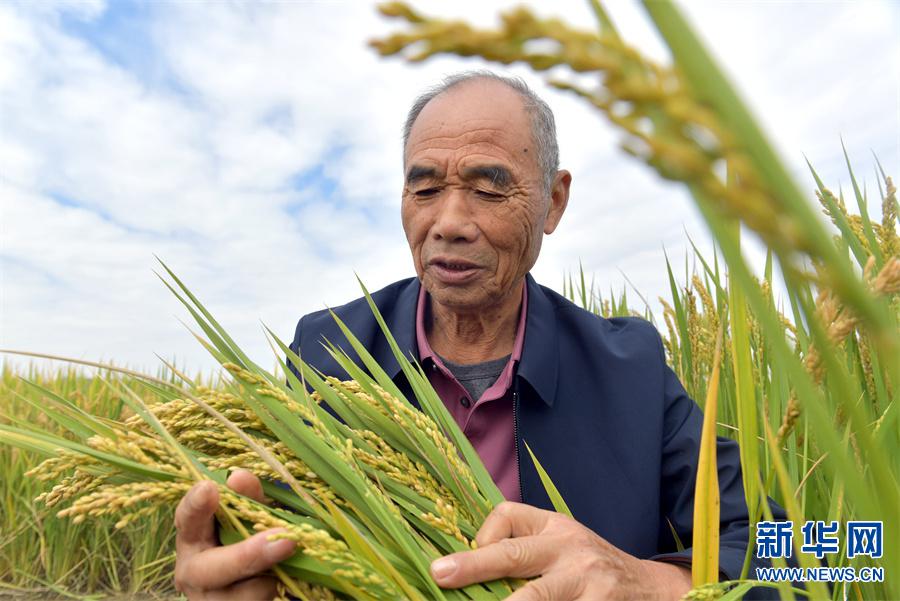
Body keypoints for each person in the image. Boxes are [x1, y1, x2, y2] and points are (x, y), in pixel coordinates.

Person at [174, 71, 780, 600]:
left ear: (553, 201)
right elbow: (277, 538)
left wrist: (655, 584)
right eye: (426, 187)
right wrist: (229, 568)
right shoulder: (327, 351)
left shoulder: (630, 369)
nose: (451, 222)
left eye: (491, 187)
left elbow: (822, 545)